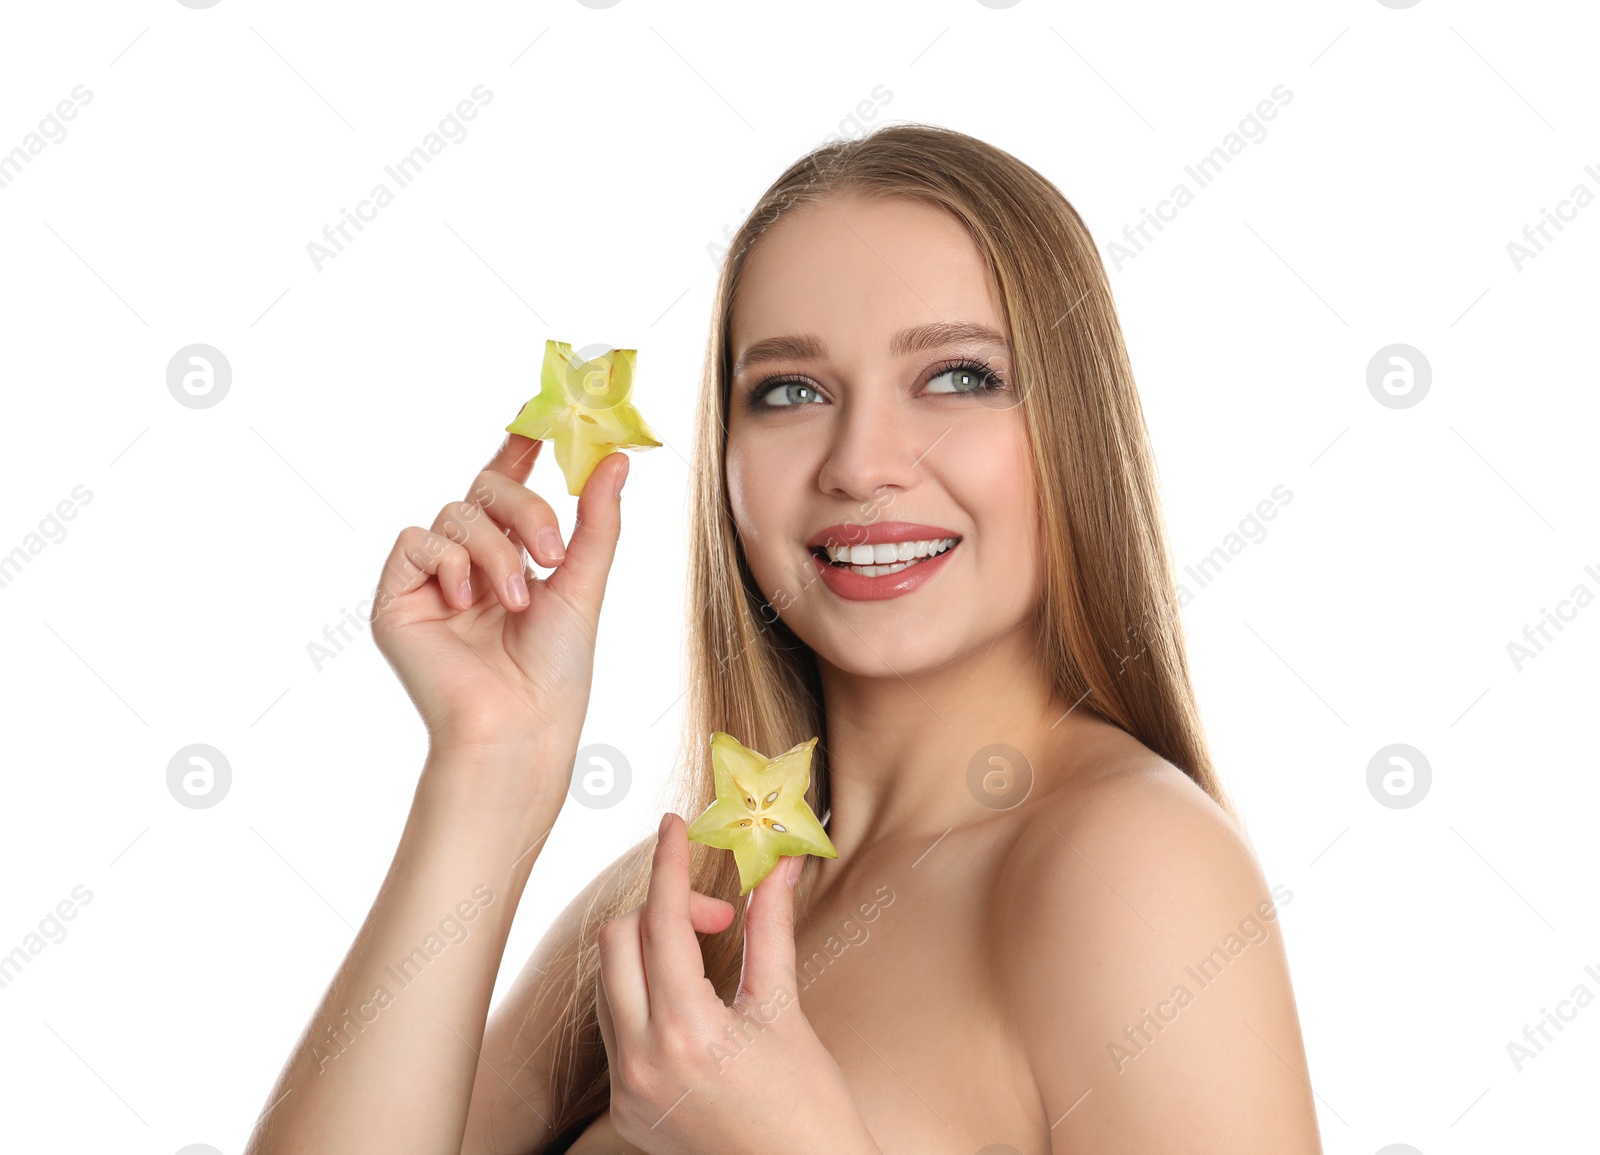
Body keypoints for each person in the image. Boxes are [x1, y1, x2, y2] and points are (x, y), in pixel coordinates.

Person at [244, 122, 1323, 1154]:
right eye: (790, 390)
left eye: (957, 376)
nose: (860, 461)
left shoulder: (1128, 866)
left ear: (1073, 428)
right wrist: (492, 761)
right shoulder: (681, 894)